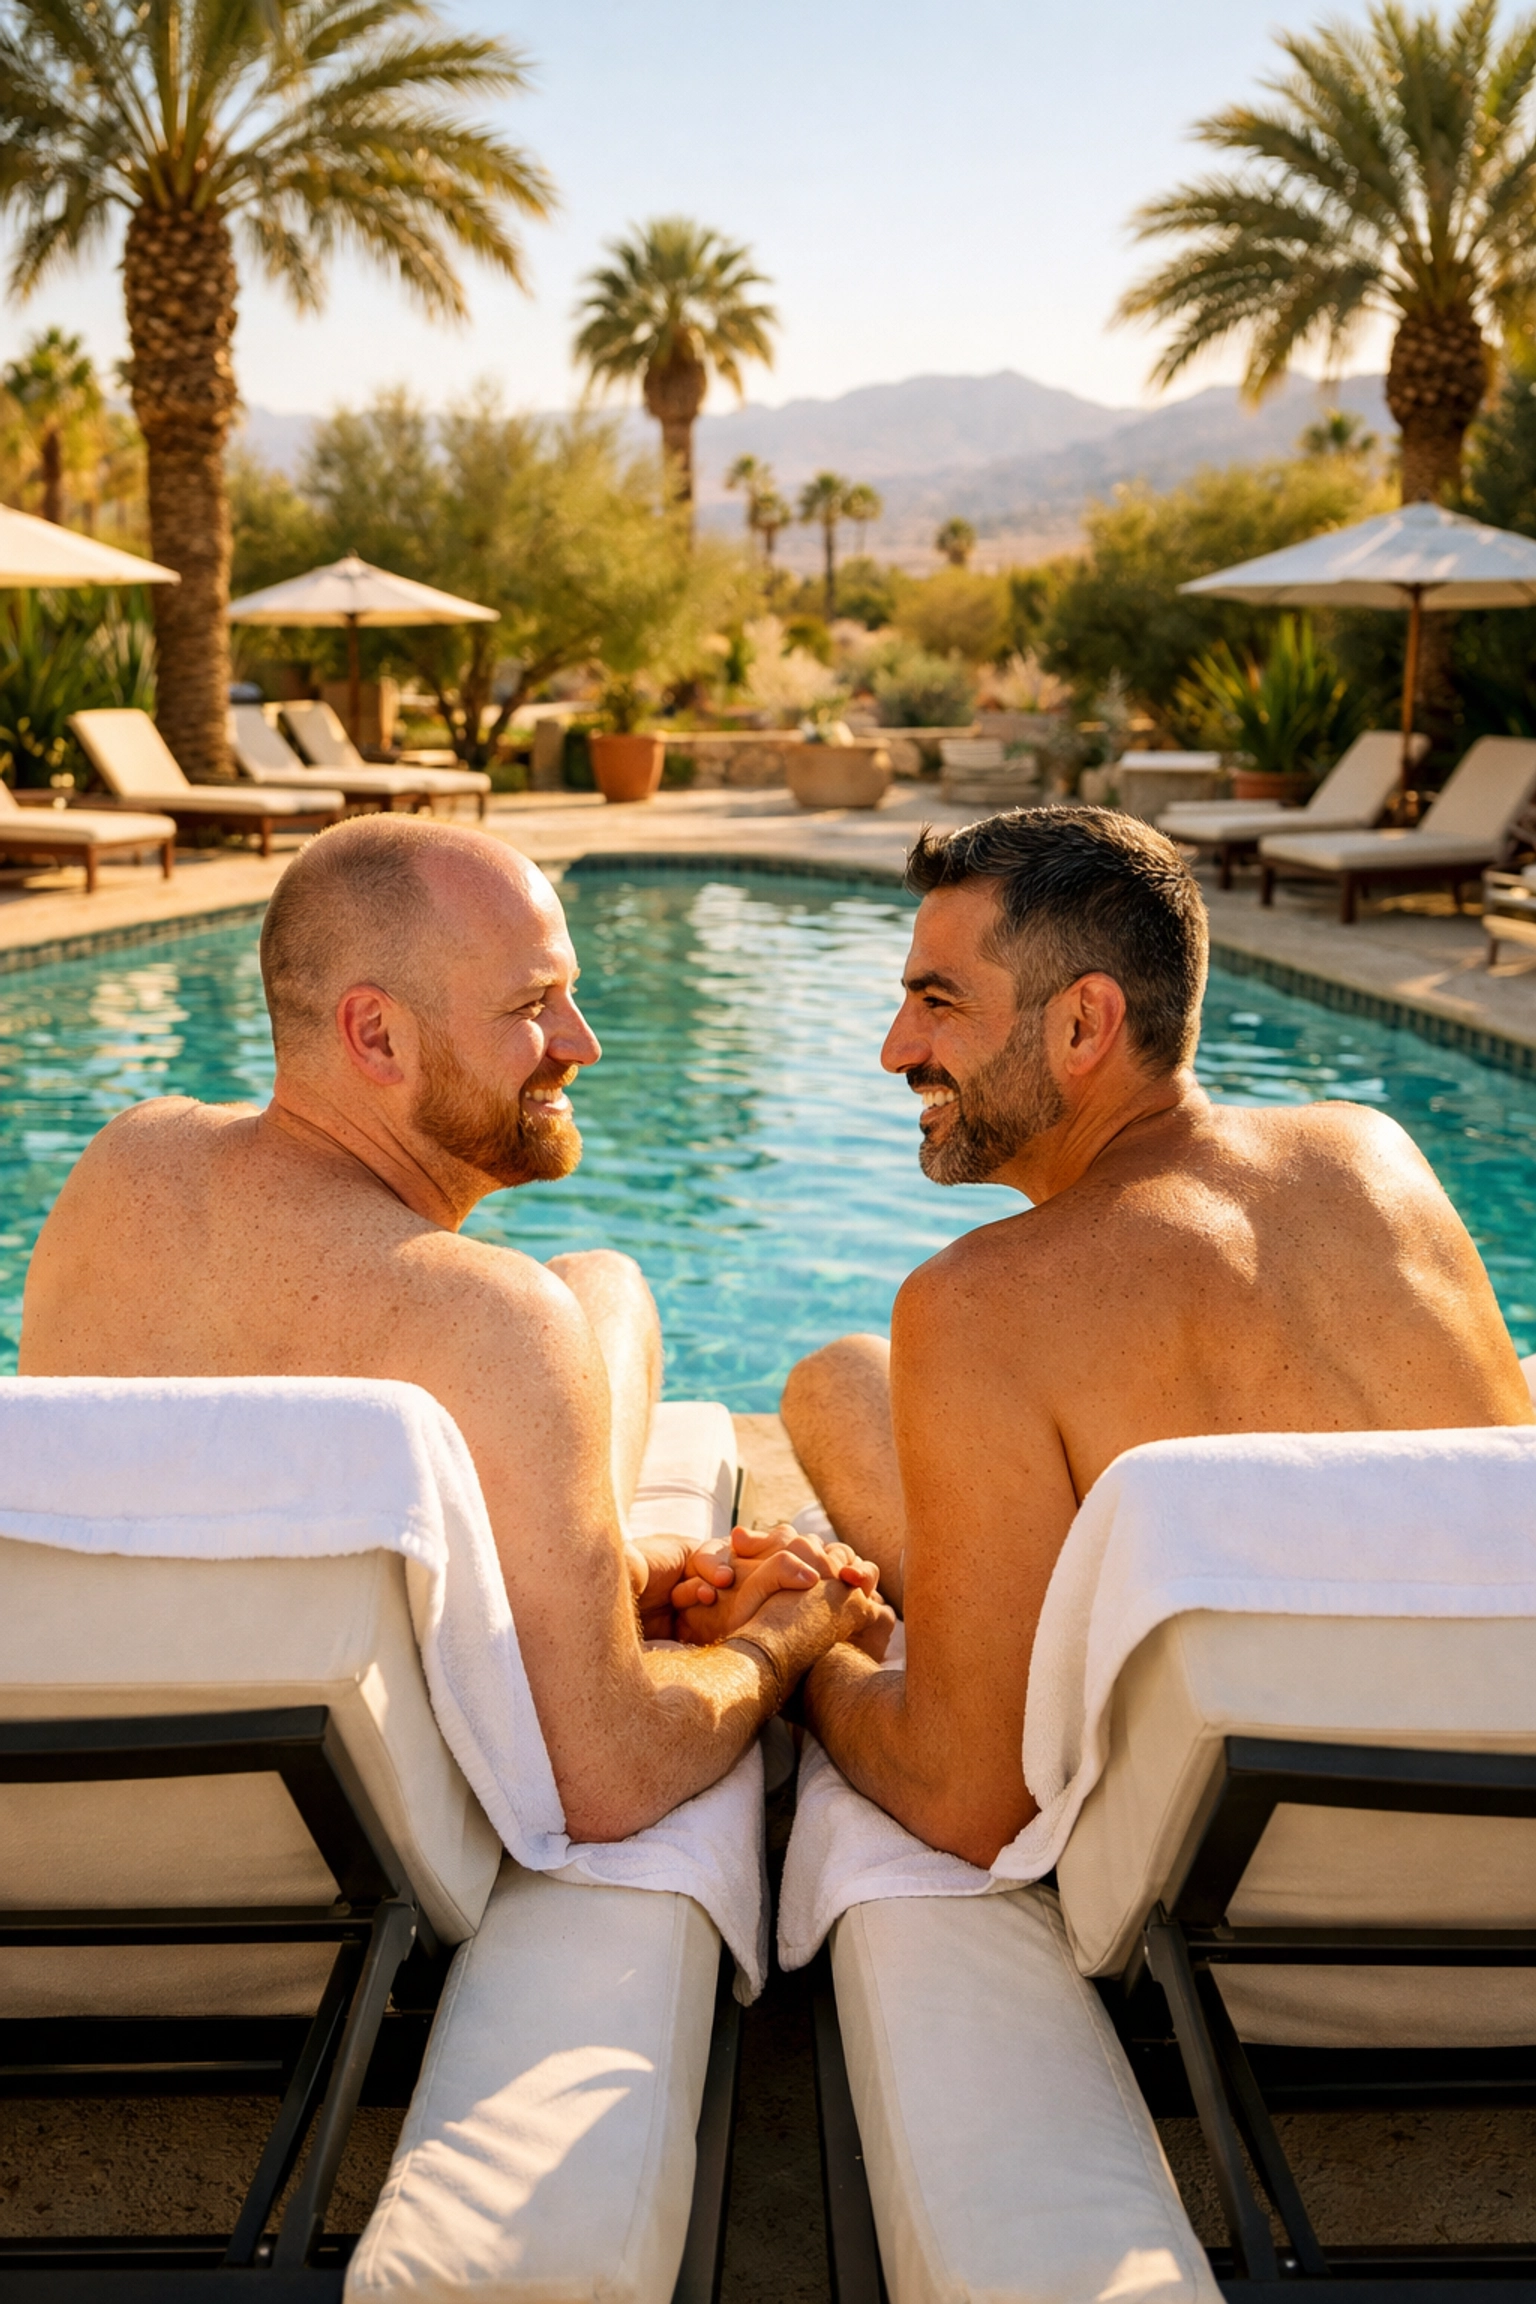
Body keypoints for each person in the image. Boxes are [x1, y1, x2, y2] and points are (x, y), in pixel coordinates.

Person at [21, 815, 888, 1841]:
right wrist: (788, 1641)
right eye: (533, 1006)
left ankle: (603, 1566)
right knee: (578, 1300)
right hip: (326, 1873)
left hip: (52, 1836)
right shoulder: (484, 1321)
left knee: (602, 1284)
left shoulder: (124, 1166)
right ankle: (600, 1569)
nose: (582, 1043)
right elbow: (607, 1782)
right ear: (375, 1034)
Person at [780, 805, 1535, 1869]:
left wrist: (808, 1651)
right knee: (841, 1378)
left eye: (937, 1003)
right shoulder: (1376, 1161)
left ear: (1085, 1025)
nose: (896, 1048)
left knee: (833, 1384)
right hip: (1510, 1866)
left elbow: (969, 1801)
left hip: (1248, 1903)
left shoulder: (982, 1303)